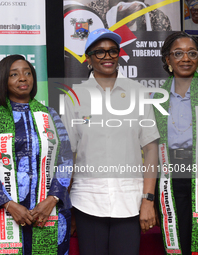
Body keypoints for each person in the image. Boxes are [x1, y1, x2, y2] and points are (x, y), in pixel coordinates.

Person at [61, 28, 160, 254]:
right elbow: (68, 155)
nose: (107, 56)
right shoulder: (73, 96)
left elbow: (151, 149)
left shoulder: (139, 93)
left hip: (130, 201)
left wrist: (148, 200)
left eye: (112, 51)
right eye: (100, 52)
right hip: (87, 200)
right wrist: (68, 208)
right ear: (88, 58)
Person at [0, 55, 72, 255]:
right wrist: (9, 204)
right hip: (4, 214)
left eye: (27, 73)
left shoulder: (50, 115)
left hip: (49, 212)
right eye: (14, 74)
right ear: (2, 80)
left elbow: (65, 158)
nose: (23, 78)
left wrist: (52, 199)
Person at [153, 31, 198, 255]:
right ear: (168, 60)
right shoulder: (157, 99)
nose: (186, 58)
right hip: (170, 179)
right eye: (178, 53)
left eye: (192, 53)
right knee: (178, 240)